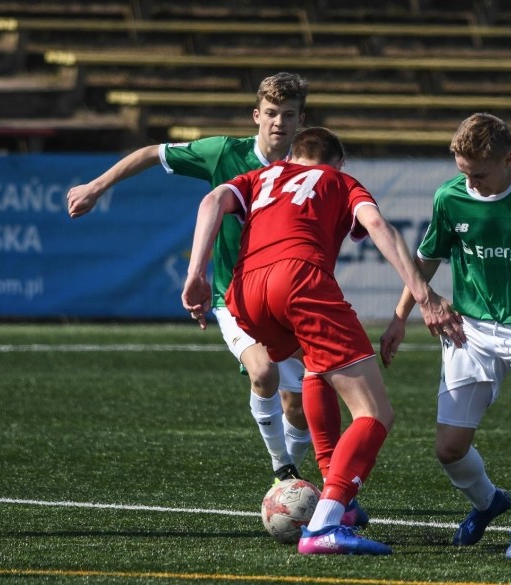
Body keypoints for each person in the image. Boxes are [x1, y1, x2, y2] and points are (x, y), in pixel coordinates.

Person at [182, 126, 461, 555]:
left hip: (246, 293)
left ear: (293, 155)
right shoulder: (342, 181)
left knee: (316, 363)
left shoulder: (264, 175)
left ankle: (340, 500)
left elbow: (211, 201)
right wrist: (424, 295)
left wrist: (197, 272)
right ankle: (325, 525)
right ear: (339, 162)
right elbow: (378, 226)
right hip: (300, 280)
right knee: (375, 413)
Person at [66, 73, 315, 489]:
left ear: (300, 120)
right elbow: (150, 152)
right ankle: (283, 474)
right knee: (264, 373)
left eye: (289, 115)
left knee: (299, 408)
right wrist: (96, 186)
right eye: (271, 113)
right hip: (233, 296)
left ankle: (297, 486)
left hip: (286, 299)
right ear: (256, 115)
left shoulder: (308, 169)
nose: (279, 123)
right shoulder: (222, 153)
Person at [379, 113, 511, 559]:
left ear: (508, 159)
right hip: (469, 330)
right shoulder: (450, 197)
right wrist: (400, 315)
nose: (471, 182)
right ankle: (489, 501)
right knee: (449, 449)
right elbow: (426, 260)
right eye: (463, 173)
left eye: (479, 173)